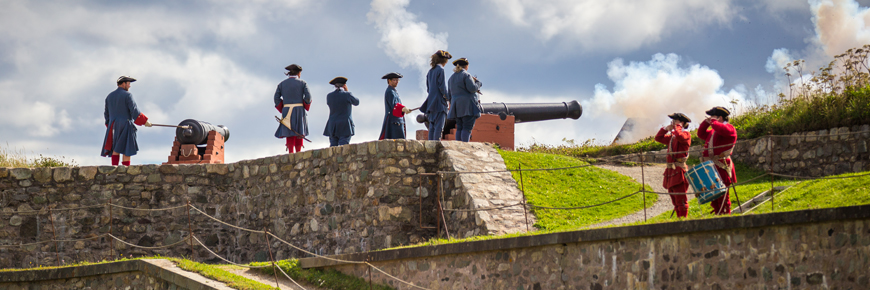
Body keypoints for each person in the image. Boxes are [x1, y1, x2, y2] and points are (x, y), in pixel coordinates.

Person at [101, 76, 152, 166]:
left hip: (112, 126)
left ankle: (114, 170)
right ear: (123, 84)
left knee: (115, 149)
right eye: (128, 84)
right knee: (127, 149)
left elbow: (106, 115)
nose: (129, 86)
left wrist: (109, 125)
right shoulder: (128, 95)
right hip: (125, 124)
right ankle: (125, 171)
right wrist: (144, 121)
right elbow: (134, 110)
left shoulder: (109, 96)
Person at [697, 106, 737, 215]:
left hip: (721, 166)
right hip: (711, 166)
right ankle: (717, 214)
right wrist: (706, 123)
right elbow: (700, 134)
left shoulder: (729, 128)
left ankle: (725, 217)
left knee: (723, 197)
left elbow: (723, 130)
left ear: (720, 117)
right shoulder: (714, 130)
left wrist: (714, 122)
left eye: (713, 116)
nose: (711, 119)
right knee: (714, 197)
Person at [654, 113, 692, 218]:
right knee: (675, 200)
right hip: (671, 171)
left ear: (682, 123)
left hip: (679, 170)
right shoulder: (673, 137)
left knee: (681, 200)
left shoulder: (686, 135)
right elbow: (658, 138)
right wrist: (666, 128)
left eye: (675, 121)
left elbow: (680, 136)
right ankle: (678, 221)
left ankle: (683, 221)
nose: (673, 123)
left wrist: (678, 127)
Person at [274, 64, 312, 153]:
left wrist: (283, 108)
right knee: (299, 131)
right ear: (299, 73)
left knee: (289, 131)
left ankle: (290, 153)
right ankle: (298, 152)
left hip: (286, 110)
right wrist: (305, 105)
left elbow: (276, 98)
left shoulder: (281, 84)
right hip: (299, 109)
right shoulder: (303, 83)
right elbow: (308, 97)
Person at [446, 58, 482, 142]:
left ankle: (459, 147)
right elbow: (472, 88)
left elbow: (449, 95)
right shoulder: (466, 75)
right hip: (468, 106)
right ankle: (465, 147)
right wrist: (478, 83)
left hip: (456, 106)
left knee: (459, 127)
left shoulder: (451, 78)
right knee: (467, 127)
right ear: (466, 66)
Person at [420, 50, 452, 140]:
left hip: (430, 103)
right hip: (439, 103)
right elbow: (442, 87)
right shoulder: (441, 70)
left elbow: (428, 89)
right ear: (445, 60)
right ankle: (436, 146)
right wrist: (448, 98)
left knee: (432, 128)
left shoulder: (430, 72)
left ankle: (431, 146)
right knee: (439, 127)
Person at [323, 77, 359, 147]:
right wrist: (347, 91)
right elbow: (357, 102)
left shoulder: (329, 96)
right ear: (344, 85)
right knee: (344, 147)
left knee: (333, 147)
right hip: (345, 125)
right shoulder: (347, 95)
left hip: (332, 125)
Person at [378, 72, 411, 140]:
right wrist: (403, 108)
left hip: (398, 120)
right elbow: (394, 105)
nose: (396, 82)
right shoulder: (390, 91)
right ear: (389, 80)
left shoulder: (394, 91)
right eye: (394, 80)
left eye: (397, 80)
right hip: (393, 121)